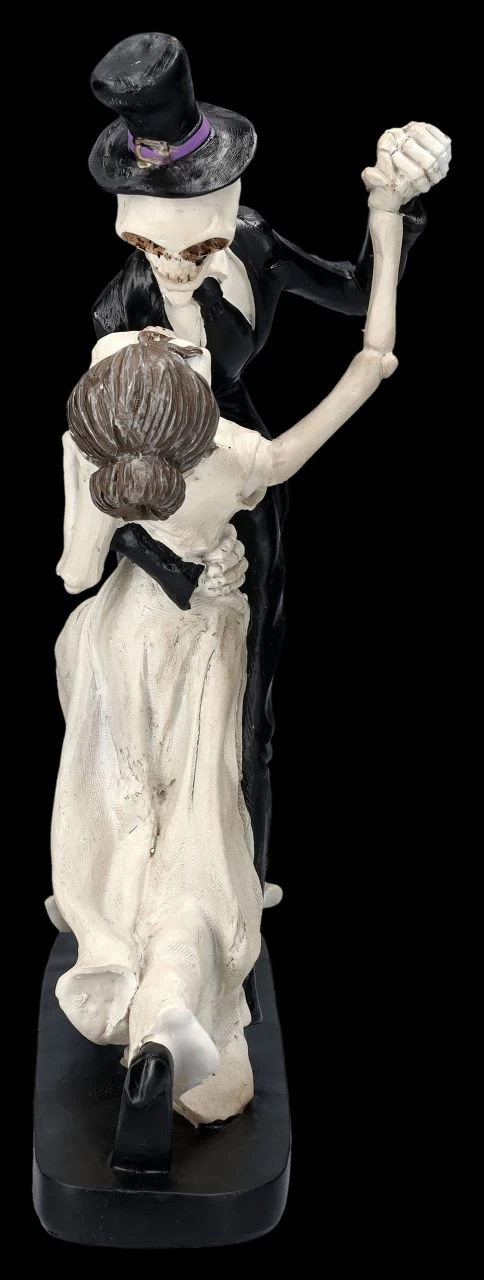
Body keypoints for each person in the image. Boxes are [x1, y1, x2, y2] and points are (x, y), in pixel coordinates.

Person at [51, 191, 418, 1129]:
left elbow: (75, 572)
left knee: (116, 808)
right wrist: (385, 223)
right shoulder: (239, 454)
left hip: (119, 640)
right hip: (204, 644)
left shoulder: (89, 450)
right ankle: (172, 1008)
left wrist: (104, 506)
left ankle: (123, 966)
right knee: (201, 822)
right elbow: (370, 361)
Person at [87, 34, 450, 951]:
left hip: (242, 463)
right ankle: (143, 877)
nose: (175, 266)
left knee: (256, 674)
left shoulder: (253, 245)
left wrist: (390, 210)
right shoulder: (121, 312)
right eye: (151, 245)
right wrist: (156, 551)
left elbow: (359, 294)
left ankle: (243, 871)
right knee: (161, 695)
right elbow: (102, 468)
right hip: (165, 495)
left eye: (198, 241)